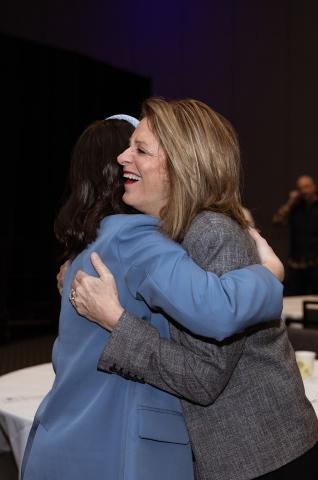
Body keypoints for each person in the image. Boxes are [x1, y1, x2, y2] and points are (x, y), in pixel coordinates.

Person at [70, 99, 318, 480]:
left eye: (140, 149)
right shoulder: (173, 233)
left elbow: (202, 379)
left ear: (182, 166)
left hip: (263, 458)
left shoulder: (212, 233)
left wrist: (116, 321)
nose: (122, 157)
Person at [21, 114, 284, 480]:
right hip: (118, 450)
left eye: (140, 150)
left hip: (65, 438)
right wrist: (270, 277)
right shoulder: (139, 240)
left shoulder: (94, 248)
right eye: (132, 148)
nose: (127, 158)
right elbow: (218, 308)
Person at [273, 174, 318, 295]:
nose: (304, 191)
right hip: (296, 265)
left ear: (314, 187)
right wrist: (291, 201)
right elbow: (277, 220)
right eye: (301, 188)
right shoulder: (295, 207)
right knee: (293, 300)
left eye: (306, 187)